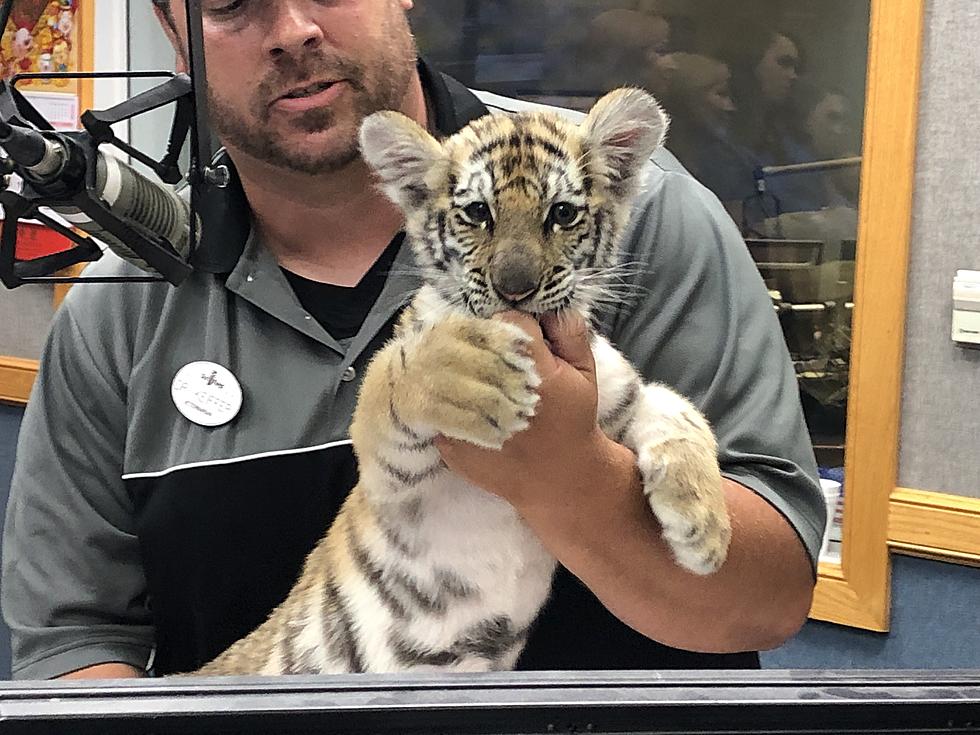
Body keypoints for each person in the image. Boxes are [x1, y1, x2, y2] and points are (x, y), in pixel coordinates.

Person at [1, 1, 824, 680]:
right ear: (176, 31)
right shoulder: (117, 309)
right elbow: (71, 648)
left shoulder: (641, 215)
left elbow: (766, 598)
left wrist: (570, 475)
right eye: (232, 4)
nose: (291, 29)